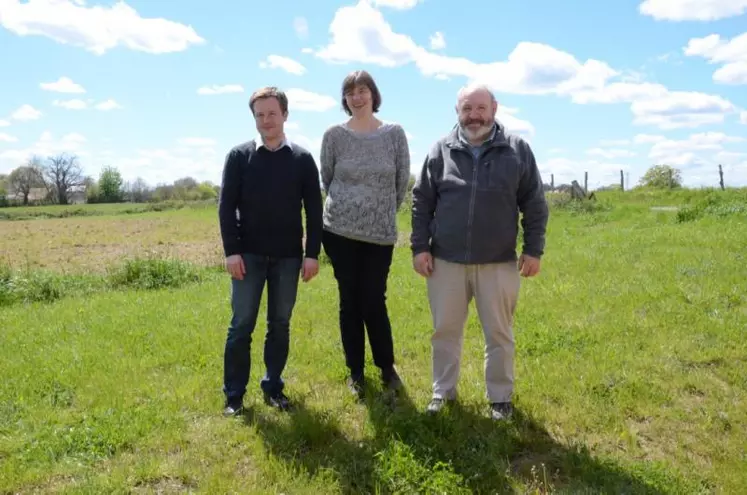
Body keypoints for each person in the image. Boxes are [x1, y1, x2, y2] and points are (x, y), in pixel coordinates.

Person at [410, 83, 549, 421]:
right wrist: (419, 247)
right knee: (445, 331)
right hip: (446, 261)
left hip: (498, 262)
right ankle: (443, 393)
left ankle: (500, 399)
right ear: (457, 111)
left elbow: (534, 203)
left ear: (494, 109)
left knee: (499, 333)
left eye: (480, 108)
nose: (474, 116)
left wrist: (533, 250)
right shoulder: (440, 150)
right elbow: (421, 202)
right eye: (467, 109)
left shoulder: (516, 150)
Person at [218, 86, 323, 416]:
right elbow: (225, 208)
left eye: (272, 113)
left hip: (289, 258)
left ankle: (273, 386)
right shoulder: (239, 157)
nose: (266, 120)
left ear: (285, 115)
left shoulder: (303, 159)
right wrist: (231, 251)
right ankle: (234, 395)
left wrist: (312, 254)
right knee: (241, 325)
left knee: (280, 324)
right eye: (260, 115)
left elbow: (315, 211)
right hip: (247, 257)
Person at [319, 69, 411, 400]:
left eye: (363, 90)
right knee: (349, 300)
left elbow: (402, 180)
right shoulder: (334, 136)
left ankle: (386, 368)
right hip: (339, 232)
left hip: (380, 233)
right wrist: (350, 209)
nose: (357, 97)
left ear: (373, 94)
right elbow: (326, 179)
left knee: (374, 299)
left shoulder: (394, 134)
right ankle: (355, 372)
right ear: (345, 99)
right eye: (350, 92)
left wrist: (378, 210)